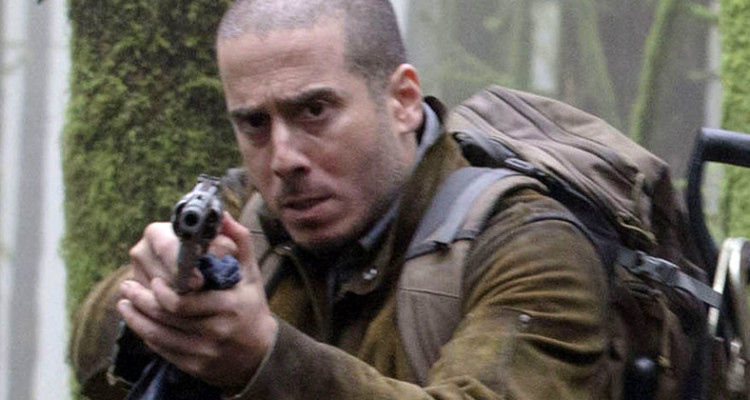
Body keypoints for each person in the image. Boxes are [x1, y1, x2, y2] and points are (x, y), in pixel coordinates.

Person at [70, 0, 614, 399]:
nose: (283, 158)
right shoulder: (245, 216)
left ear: (402, 101)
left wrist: (265, 361)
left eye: (314, 112)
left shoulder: (530, 246)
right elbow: (93, 361)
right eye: (255, 123)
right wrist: (154, 295)